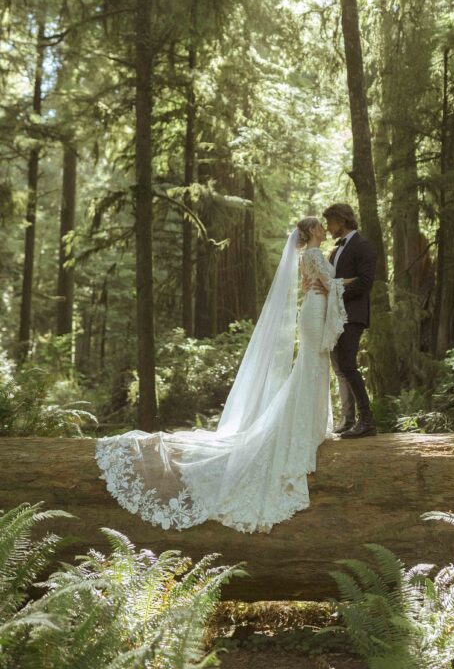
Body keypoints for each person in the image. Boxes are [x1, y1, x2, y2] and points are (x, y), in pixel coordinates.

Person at [95, 217, 349, 534]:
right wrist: (353, 282)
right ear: (311, 232)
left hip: (312, 309)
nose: (325, 230)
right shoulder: (313, 254)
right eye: (321, 227)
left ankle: (309, 424)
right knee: (311, 367)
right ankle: (303, 429)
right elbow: (331, 281)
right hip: (315, 311)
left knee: (311, 368)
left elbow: (315, 283)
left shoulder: (307, 257)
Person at [304, 203, 377, 439]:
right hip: (332, 316)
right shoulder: (334, 251)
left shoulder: (363, 246)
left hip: (352, 315)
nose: (328, 227)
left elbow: (365, 283)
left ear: (342, 220)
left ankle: (367, 421)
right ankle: (348, 419)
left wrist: (333, 291)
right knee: (339, 368)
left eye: (331, 222)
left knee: (347, 364)